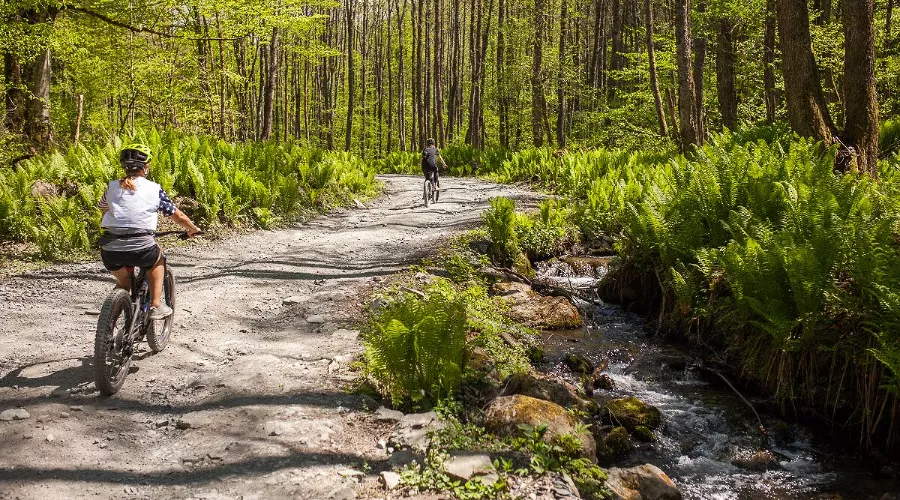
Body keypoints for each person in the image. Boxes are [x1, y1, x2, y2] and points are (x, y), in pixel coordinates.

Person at [98, 144, 202, 320]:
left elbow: (103, 209)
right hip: (142, 247)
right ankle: (155, 304)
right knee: (158, 257)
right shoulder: (154, 189)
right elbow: (177, 215)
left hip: (110, 248)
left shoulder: (112, 186)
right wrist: (193, 229)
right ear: (145, 167)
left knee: (123, 283)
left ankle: (109, 321)